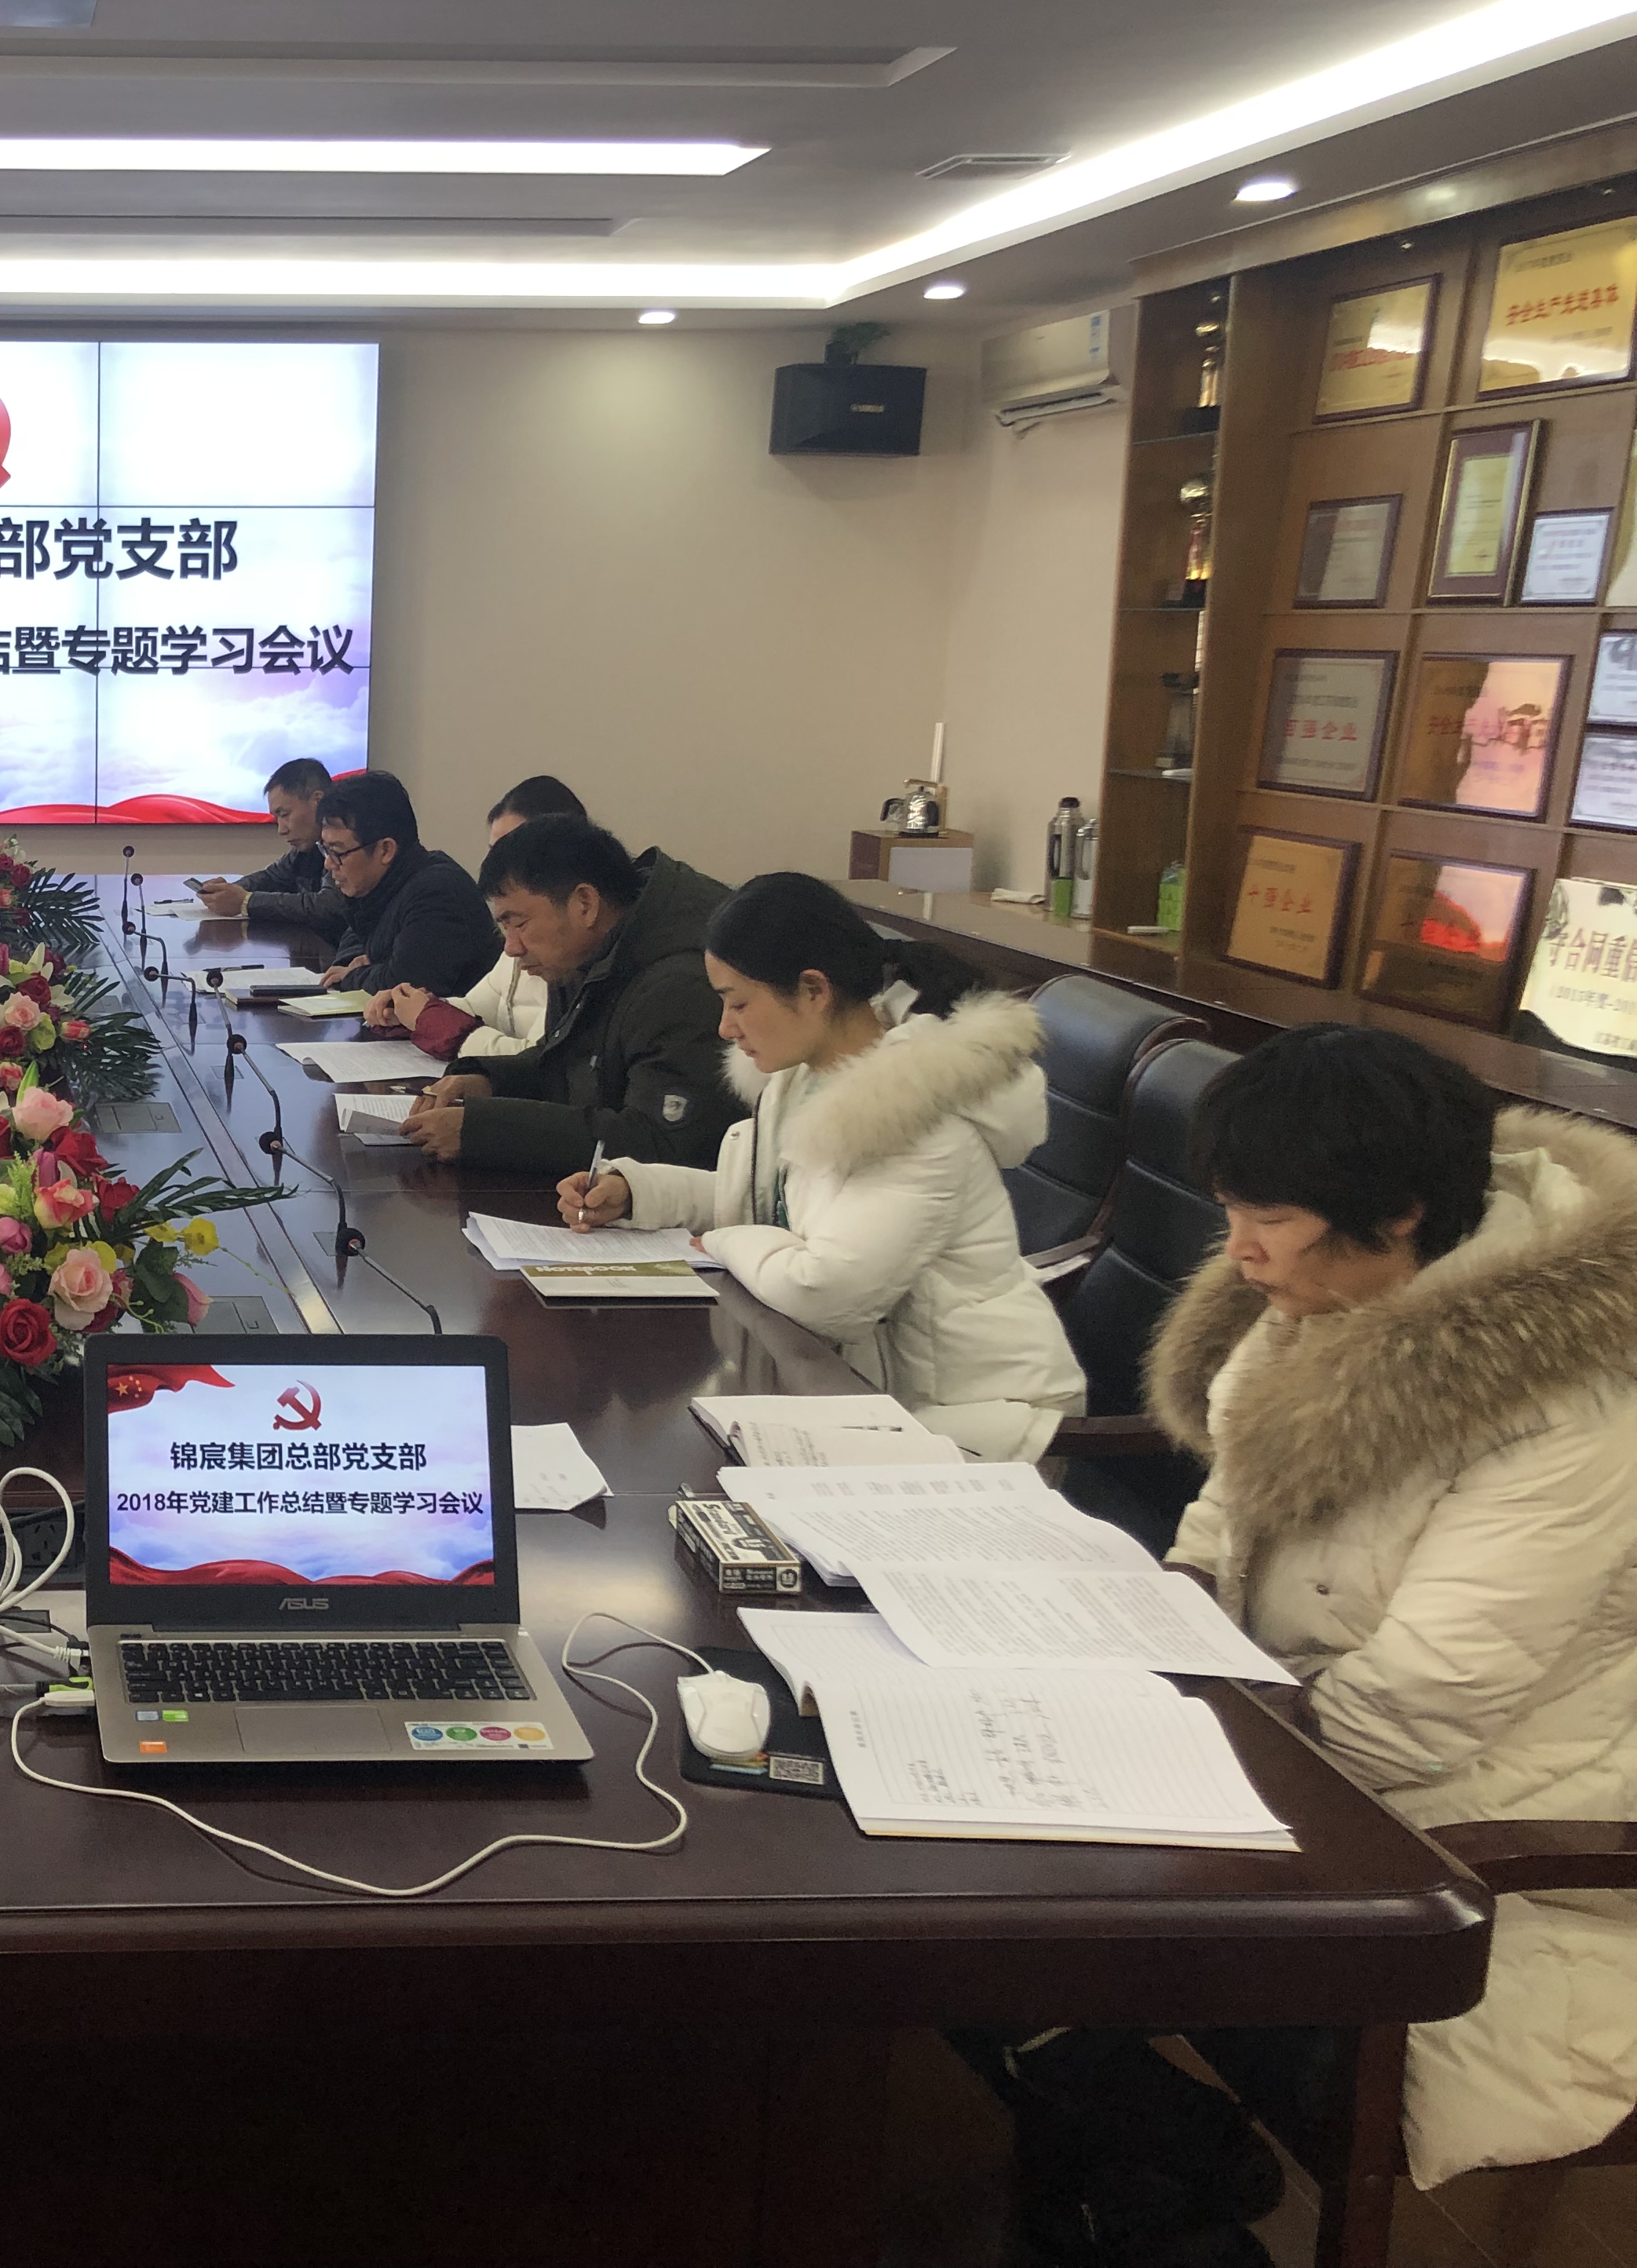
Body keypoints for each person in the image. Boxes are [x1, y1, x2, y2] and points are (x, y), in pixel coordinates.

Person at [963, 1029, 1637, 2268]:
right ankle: (1156, 2174)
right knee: (965, 1870)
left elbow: (1420, 1709)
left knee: (1013, 1920)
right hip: (1294, 1749)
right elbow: (1225, 1518)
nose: (1239, 1251)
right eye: (1231, 1211)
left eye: (1267, 1218)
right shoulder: (1326, 1300)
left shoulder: (1572, 1404)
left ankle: (1163, 2194)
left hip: (1472, 1839)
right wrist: (1146, 1621)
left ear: (1402, 1214)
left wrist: (1169, 1752)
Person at [561, 872, 1084, 1459]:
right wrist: (639, 1191)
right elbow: (780, 1206)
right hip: (871, 1395)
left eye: (738, 1003)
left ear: (813, 990)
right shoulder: (807, 1079)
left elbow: (826, 1292)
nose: (725, 1028)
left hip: (981, 1429)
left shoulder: (917, 1118)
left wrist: (724, 1242)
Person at [400, 813, 731, 1172]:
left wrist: (484, 1131)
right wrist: (487, 1081)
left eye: (519, 923)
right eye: (504, 928)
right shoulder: (589, 952)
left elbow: (661, 1143)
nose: (511, 948)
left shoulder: (682, 982)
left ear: (584, 904)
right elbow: (565, 1063)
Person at [367, 776, 582, 1060]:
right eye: (494, 853)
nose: (495, 868)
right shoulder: (517, 935)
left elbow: (536, 1059)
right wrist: (411, 1010)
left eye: (513, 853)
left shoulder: (571, 953)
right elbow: (477, 1007)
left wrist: (430, 1020)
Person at [298, 770, 502, 998]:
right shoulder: (379, 884)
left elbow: (404, 987)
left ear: (386, 850)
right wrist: (351, 965)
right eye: (326, 849)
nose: (328, 863)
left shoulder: (436, 892)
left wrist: (353, 976)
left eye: (337, 851)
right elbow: (356, 935)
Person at [191, 757, 341, 926]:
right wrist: (227, 892)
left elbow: (327, 906)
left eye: (285, 815)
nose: (281, 830)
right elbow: (271, 878)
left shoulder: (348, 844)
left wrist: (246, 902)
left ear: (318, 801)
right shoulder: (309, 846)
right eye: (277, 818)